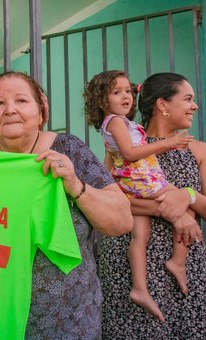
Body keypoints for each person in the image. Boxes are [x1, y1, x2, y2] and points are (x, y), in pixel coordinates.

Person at [0, 71, 133, 339]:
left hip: (70, 320)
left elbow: (122, 221)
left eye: (21, 101)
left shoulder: (68, 150)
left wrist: (76, 186)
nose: (10, 110)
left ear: (41, 110)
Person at [83, 70, 201, 322]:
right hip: (124, 264)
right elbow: (111, 195)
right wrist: (172, 212)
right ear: (162, 105)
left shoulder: (198, 149)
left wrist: (188, 196)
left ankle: (174, 265)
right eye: (188, 98)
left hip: (185, 270)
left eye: (127, 91)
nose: (195, 106)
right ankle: (145, 284)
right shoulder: (125, 140)